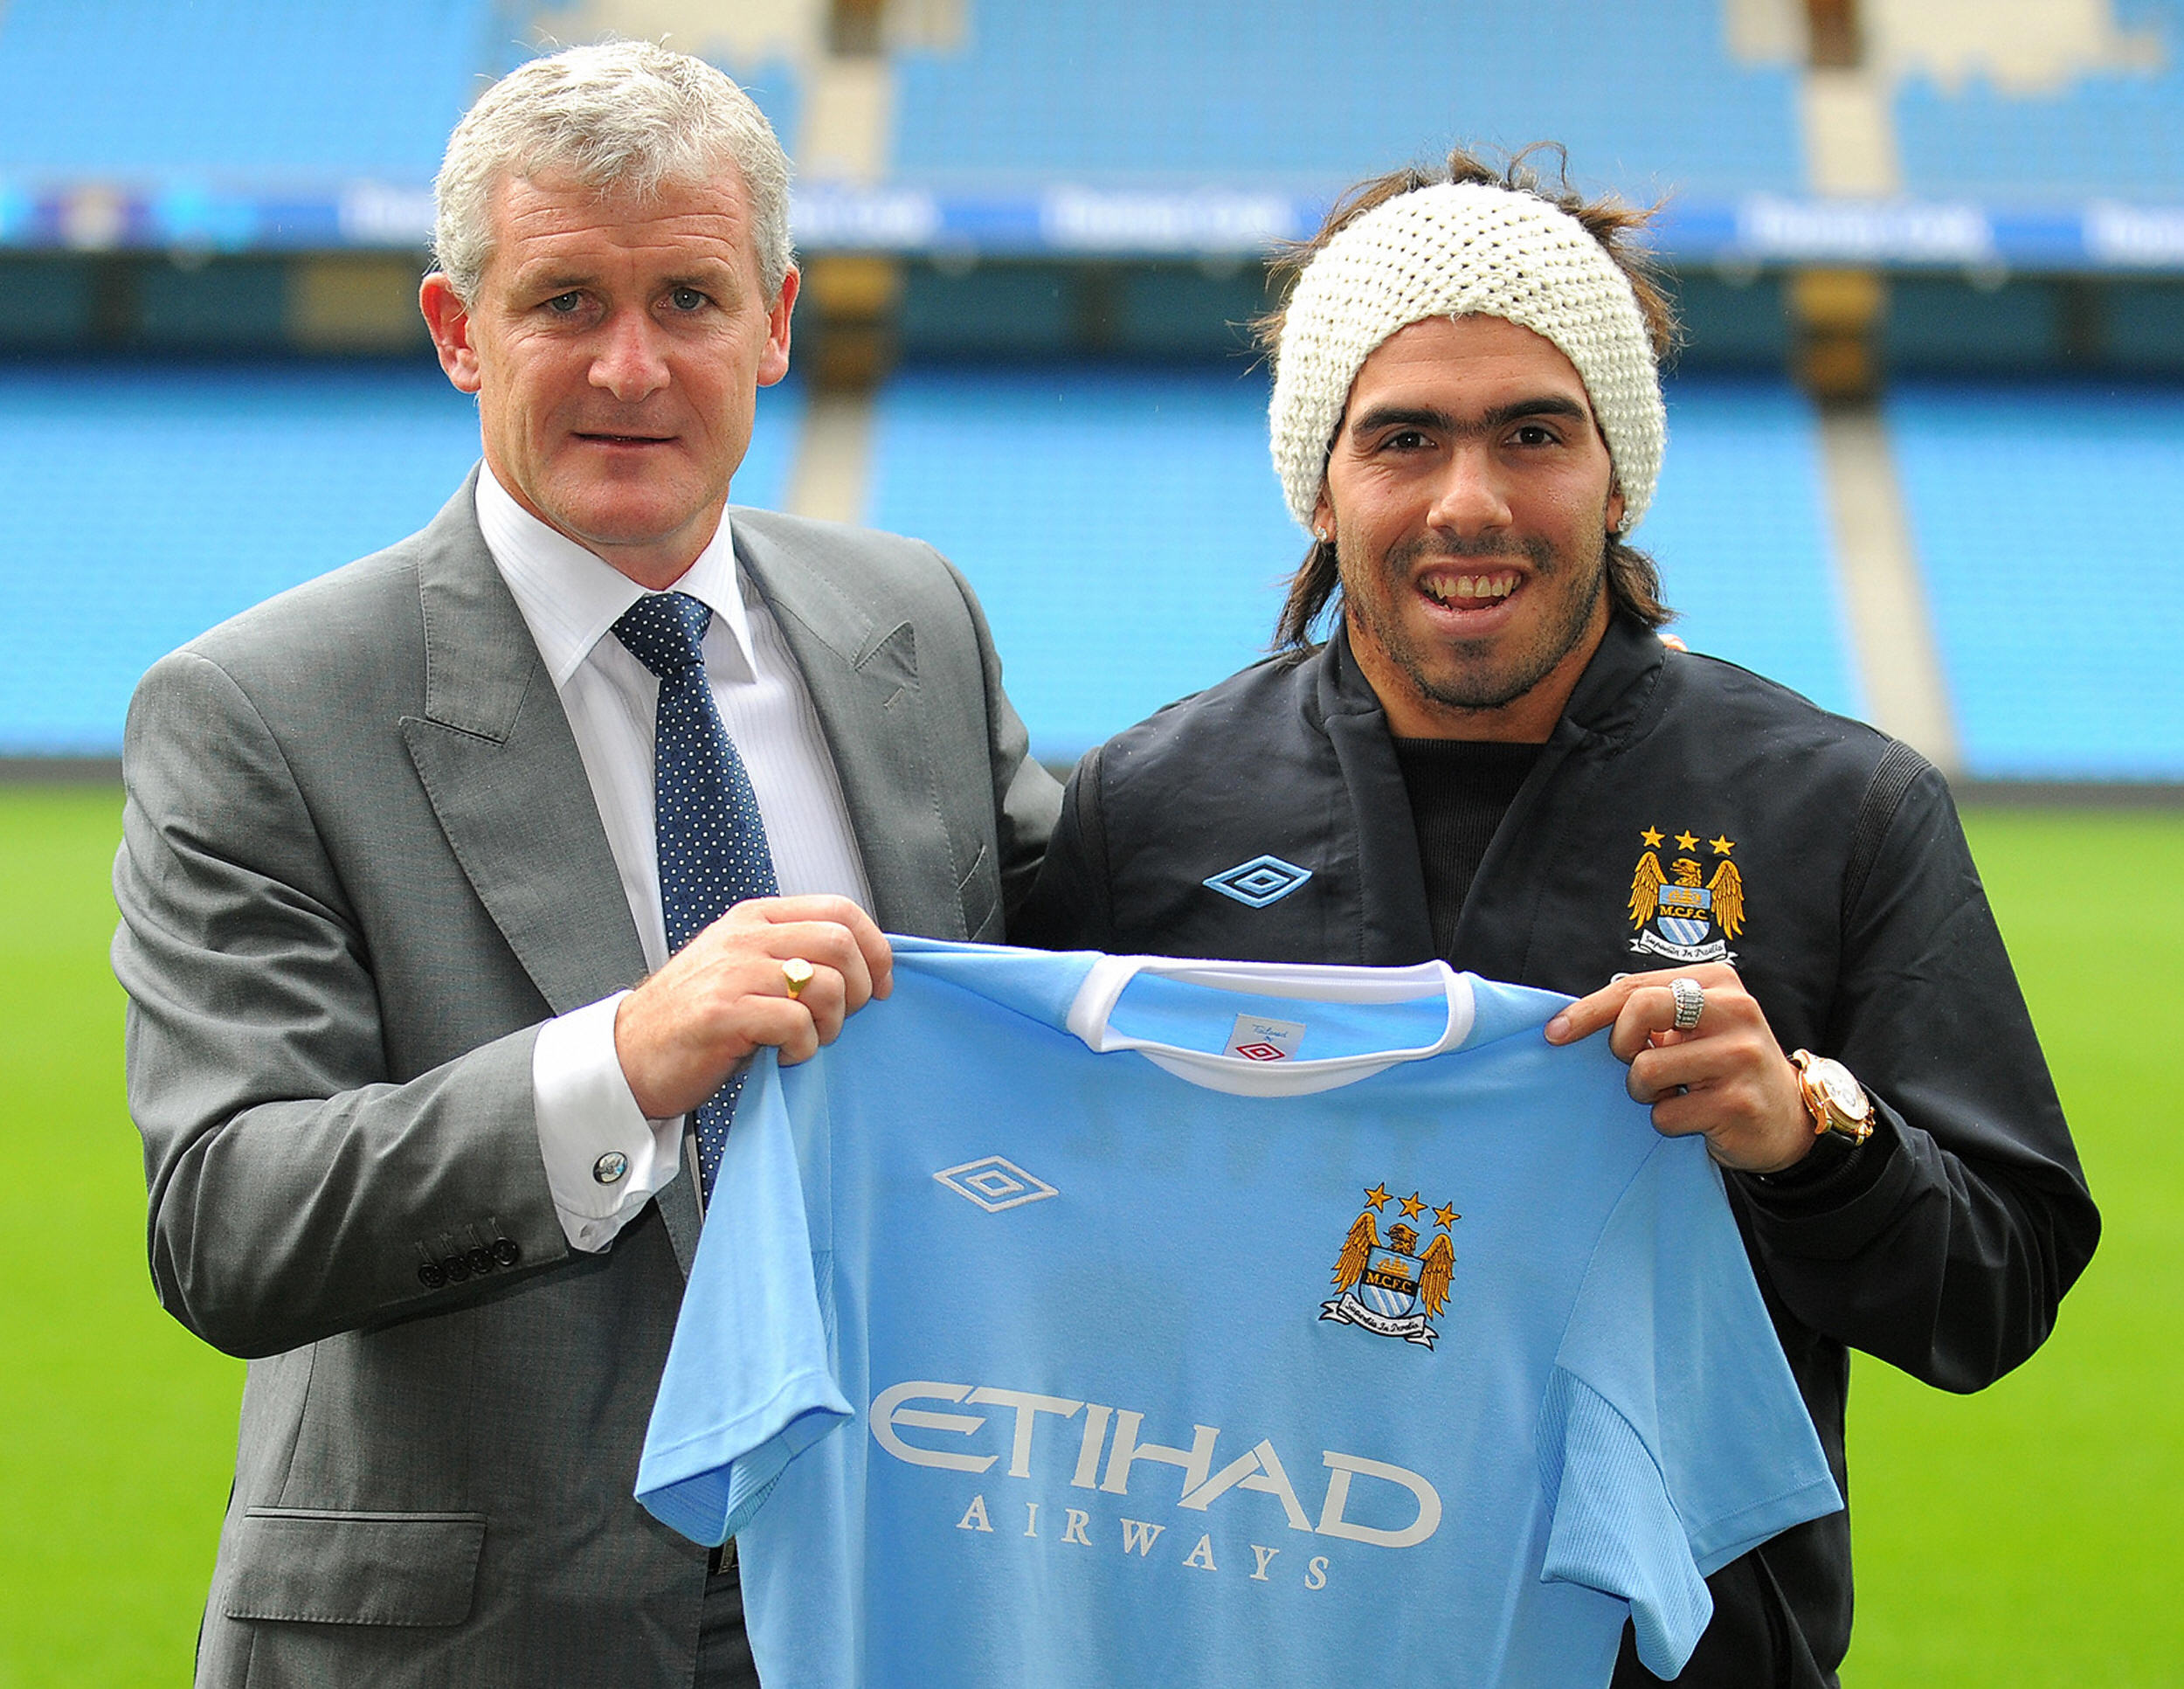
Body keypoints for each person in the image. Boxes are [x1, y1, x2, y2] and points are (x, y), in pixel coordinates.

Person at [1013, 148, 2098, 1687]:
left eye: (1535, 432)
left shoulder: (1836, 807)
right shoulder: (1146, 812)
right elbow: (1034, 1256)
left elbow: (1998, 1289)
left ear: (1618, 468)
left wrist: (1808, 1141)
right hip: (1253, 1630)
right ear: (1322, 483)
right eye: (1404, 439)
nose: (1472, 503)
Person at [112, 40, 1055, 1687]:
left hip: (893, 1586)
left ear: (776, 322)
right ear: (457, 331)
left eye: (688, 298)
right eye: (564, 303)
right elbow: (230, 1222)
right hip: (478, 1636)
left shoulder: (914, 618)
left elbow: (1111, 966)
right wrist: (620, 1062)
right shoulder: (260, 707)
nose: (632, 367)